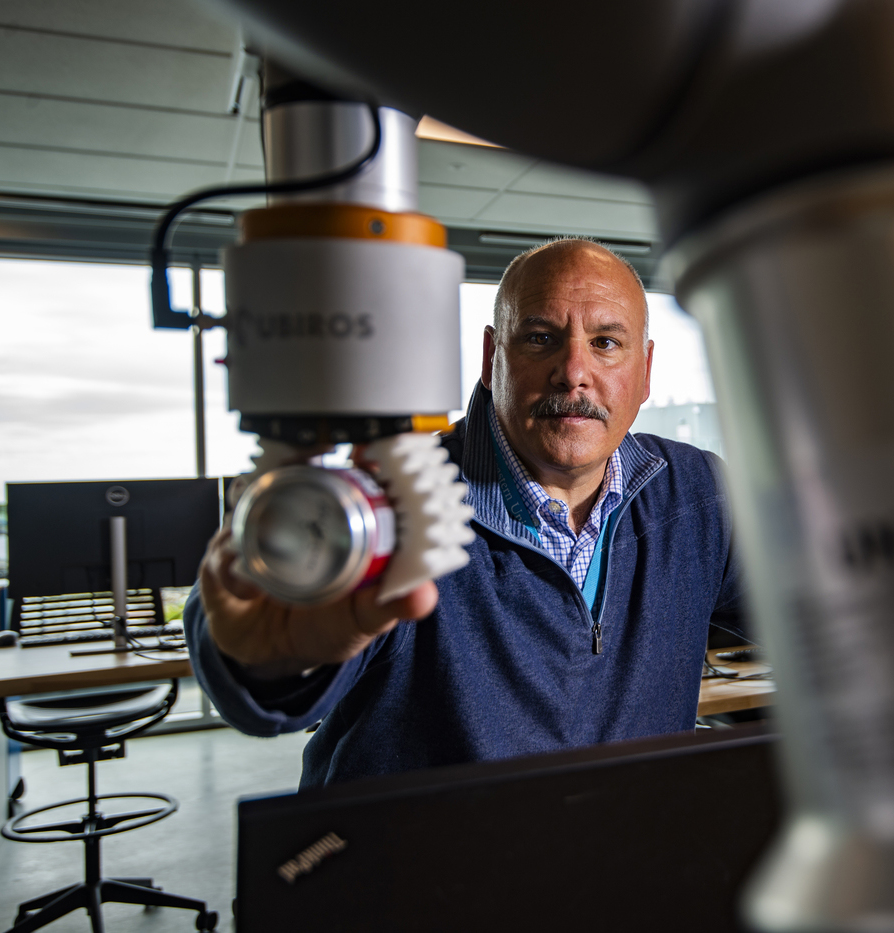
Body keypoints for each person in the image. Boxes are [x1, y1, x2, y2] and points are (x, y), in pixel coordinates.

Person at [185, 238, 743, 787]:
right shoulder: (396, 499)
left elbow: (815, 612)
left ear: (644, 371)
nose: (573, 371)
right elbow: (269, 668)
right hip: (410, 870)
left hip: (618, 866)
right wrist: (268, 665)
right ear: (490, 357)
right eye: (541, 338)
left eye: (605, 343)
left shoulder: (699, 494)